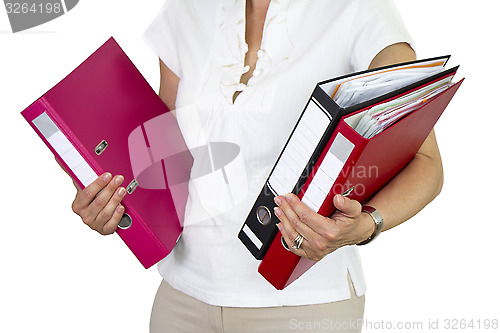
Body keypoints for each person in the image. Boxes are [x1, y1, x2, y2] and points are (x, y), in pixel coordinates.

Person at [69, 0, 443, 332]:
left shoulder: (359, 10)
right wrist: (113, 202)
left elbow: (425, 164)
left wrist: (366, 225)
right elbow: (167, 161)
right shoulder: (186, 9)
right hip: (182, 299)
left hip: (303, 306)